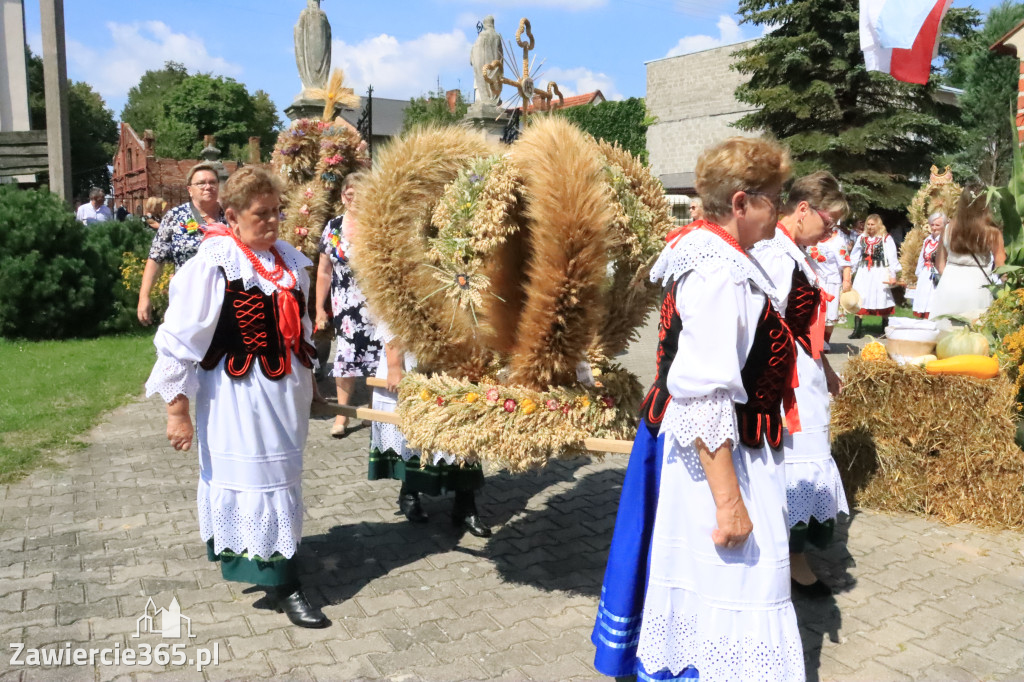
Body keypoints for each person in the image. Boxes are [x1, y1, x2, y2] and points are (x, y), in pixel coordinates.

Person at [592, 137, 805, 681]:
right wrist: (729, 503)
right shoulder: (718, 274)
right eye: (773, 200)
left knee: (714, 590)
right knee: (730, 585)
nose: (779, 212)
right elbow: (705, 394)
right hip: (713, 458)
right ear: (740, 203)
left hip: (712, 446)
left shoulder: (715, 254)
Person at [144, 166, 328, 629]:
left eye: (277, 213)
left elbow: (301, 335)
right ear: (232, 214)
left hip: (285, 395)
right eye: (260, 214)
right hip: (236, 396)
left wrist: (315, 387)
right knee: (253, 478)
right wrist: (177, 409)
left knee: (284, 478)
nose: (272, 222)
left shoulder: (289, 261)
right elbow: (180, 338)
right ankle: (284, 583)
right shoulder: (215, 262)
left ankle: (271, 556)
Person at [751, 171, 850, 599]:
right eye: (828, 222)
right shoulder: (777, 254)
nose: (831, 232)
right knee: (794, 467)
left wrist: (824, 368)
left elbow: (802, 322)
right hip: (786, 380)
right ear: (803, 209)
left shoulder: (796, 252)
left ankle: (791, 559)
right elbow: (766, 323)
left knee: (805, 463)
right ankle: (790, 563)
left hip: (803, 372)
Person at [368, 324, 492, 538]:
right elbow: (390, 312)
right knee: (414, 429)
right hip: (416, 356)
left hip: (461, 356)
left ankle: (465, 505)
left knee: (464, 427)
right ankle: (410, 490)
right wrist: (394, 365)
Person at [315, 175, 381, 437]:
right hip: (345, 309)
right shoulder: (333, 227)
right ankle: (343, 413)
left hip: (376, 304)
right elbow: (323, 272)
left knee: (377, 359)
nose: (355, 199)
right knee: (345, 361)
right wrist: (320, 308)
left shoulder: (377, 224)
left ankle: (372, 409)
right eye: (350, 194)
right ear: (343, 196)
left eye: (361, 193)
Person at [137, 163, 225, 326]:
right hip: (187, 299)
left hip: (227, 300)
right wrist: (144, 296)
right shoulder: (175, 217)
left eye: (212, 182)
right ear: (190, 190)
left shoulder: (231, 217)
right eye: (201, 183)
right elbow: (156, 257)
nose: (208, 187)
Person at [931, 185, 1005, 323]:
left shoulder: (948, 228)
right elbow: (1002, 268)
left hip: (949, 285)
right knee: (975, 337)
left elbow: (940, 264)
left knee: (943, 336)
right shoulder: (992, 232)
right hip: (977, 287)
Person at [848, 214, 899, 339]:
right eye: (868, 224)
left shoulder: (886, 239)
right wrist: (850, 273)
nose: (870, 227)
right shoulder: (862, 238)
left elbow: (892, 257)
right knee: (860, 296)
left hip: (879, 271)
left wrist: (893, 275)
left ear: (878, 225)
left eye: (873, 224)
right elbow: (855, 256)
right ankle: (857, 329)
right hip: (864, 271)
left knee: (881, 296)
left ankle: (884, 329)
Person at [807, 221, 852, 342]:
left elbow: (846, 264)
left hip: (831, 282)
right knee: (811, 313)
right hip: (812, 281)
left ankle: (825, 341)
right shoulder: (809, 237)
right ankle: (812, 340)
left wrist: (846, 282)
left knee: (829, 314)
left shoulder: (838, 241)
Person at [910, 212, 945, 319]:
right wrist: (919, 274)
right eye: (932, 225)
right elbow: (922, 258)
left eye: (937, 225)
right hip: (926, 273)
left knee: (934, 299)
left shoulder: (945, 241)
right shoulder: (927, 241)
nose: (934, 228)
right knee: (924, 298)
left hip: (938, 274)